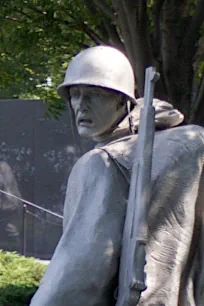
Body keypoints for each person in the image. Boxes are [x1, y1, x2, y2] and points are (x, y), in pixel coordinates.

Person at [30, 46, 204, 306]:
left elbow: (76, 282)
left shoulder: (103, 163)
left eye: (94, 95)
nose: (81, 105)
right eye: (75, 95)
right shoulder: (195, 143)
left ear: (122, 100)